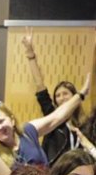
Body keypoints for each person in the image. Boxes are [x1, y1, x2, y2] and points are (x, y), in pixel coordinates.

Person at [20, 33, 84, 165]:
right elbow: (40, 86)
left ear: (74, 97)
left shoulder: (84, 123)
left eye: (65, 94)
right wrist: (31, 55)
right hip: (52, 170)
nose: (61, 98)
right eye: (58, 96)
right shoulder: (52, 118)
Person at [0, 89, 86, 168]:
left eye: (0, 121)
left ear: (12, 121)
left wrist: (81, 94)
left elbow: (57, 117)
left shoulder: (27, 131)